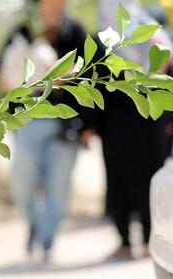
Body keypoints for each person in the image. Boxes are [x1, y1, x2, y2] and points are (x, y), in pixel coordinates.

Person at [0, 0, 93, 261]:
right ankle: (35, 223)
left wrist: (89, 124)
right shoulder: (23, 30)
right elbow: (2, 71)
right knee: (23, 182)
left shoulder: (75, 32)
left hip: (66, 124)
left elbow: (92, 77)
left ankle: (48, 237)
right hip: (29, 120)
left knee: (59, 185)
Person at [96, 0, 173, 259]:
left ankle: (154, 237)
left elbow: (167, 77)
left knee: (151, 179)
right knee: (118, 180)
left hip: (151, 119)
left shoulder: (152, 30)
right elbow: (93, 85)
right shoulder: (102, 40)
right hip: (116, 124)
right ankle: (125, 239)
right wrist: (91, 124)